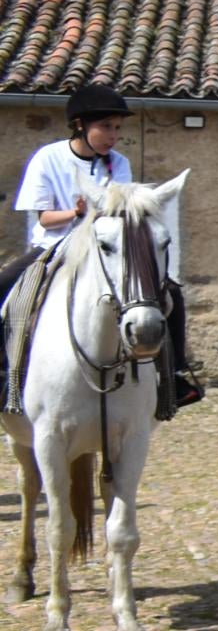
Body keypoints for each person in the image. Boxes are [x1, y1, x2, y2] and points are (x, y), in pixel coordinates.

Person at [4, 82, 204, 410]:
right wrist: (76, 213)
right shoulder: (47, 158)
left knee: (172, 294)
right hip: (52, 247)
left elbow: (121, 211)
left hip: (104, 250)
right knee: (5, 287)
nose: (113, 135)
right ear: (80, 126)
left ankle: (175, 374)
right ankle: (7, 374)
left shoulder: (117, 163)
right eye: (106, 127)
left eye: (117, 128)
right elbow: (43, 219)